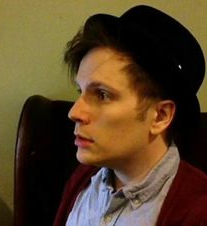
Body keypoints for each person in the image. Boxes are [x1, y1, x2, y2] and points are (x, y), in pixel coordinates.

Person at [53, 5, 207, 226]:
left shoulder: (198, 212)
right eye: (81, 92)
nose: (74, 112)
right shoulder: (84, 179)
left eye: (102, 95)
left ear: (160, 116)